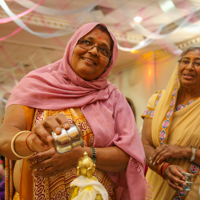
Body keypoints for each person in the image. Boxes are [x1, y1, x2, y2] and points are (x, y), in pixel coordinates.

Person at [0, 23, 147, 200]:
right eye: (86, 42)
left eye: (103, 50)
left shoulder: (114, 99)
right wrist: (31, 140)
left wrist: (82, 154)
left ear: (109, 62)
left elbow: (130, 157)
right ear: (72, 46)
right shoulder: (35, 85)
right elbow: (5, 138)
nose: (93, 51)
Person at [141, 46, 200, 200]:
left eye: (198, 63)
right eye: (185, 61)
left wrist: (186, 151)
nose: (189, 67)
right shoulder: (158, 100)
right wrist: (163, 169)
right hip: (153, 187)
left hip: (190, 191)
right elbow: (145, 144)